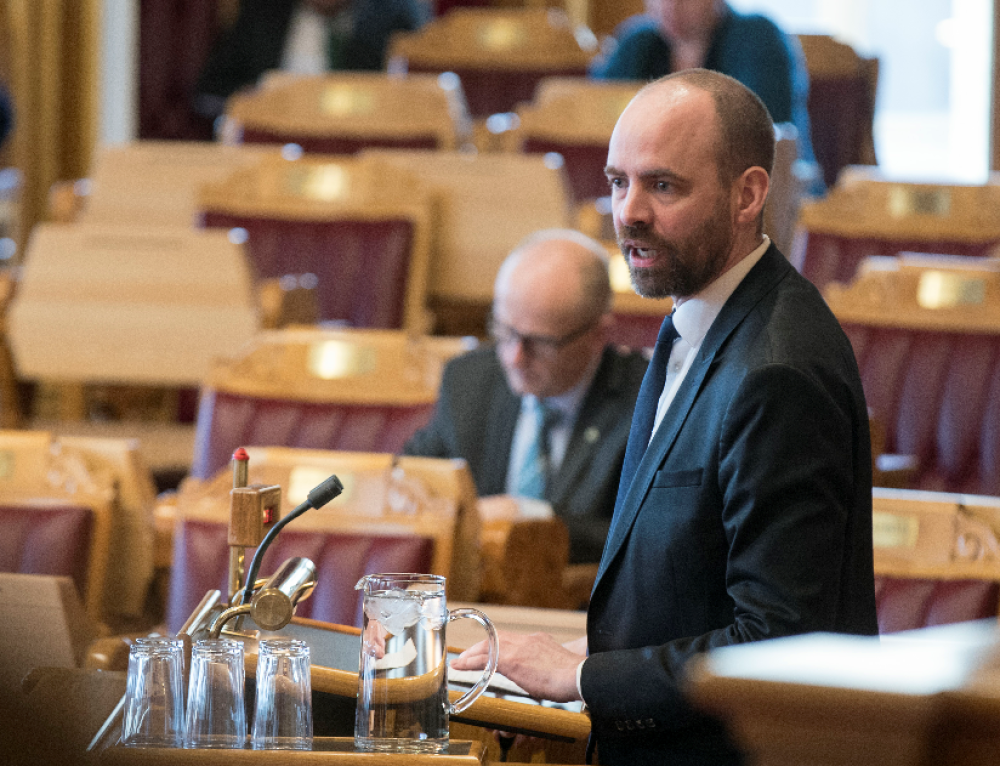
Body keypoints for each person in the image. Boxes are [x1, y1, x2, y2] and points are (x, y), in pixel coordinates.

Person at [453, 70, 877, 765]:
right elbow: (691, 587)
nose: (629, 212)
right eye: (619, 182)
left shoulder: (777, 370)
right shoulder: (700, 320)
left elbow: (781, 645)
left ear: (748, 195)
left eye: (663, 186)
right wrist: (567, 666)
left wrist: (582, 677)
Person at [403, 230, 648, 565]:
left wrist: (530, 517)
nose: (515, 357)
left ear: (598, 334)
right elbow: (410, 480)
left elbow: (646, 536)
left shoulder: (646, 402)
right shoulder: (469, 382)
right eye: (505, 332)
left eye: (540, 342)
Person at [591, 0, 821, 193]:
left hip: (770, 198)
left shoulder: (757, 37)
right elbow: (593, 121)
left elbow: (759, 135)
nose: (671, 5)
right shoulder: (637, 42)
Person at [194, 0, 427, 120]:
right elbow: (209, 91)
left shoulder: (395, 16)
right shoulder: (262, 12)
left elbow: (419, 100)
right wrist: (248, 100)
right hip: (269, 152)